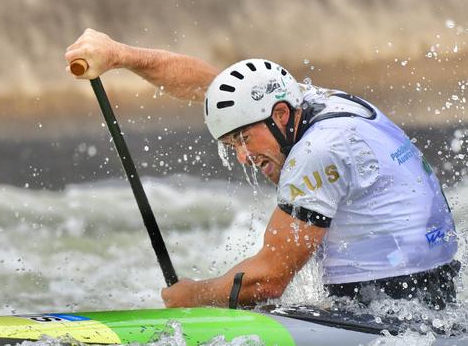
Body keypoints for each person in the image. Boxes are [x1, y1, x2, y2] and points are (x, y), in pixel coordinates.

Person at [65, 29, 460, 310]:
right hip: (429, 292)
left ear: (281, 115)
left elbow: (267, 282)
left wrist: (193, 296)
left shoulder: (318, 151)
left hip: (392, 309)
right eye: (232, 144)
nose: (242, 156)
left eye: (244, 139)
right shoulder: (303, 100)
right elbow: (210, 84)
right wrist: (120, 56)